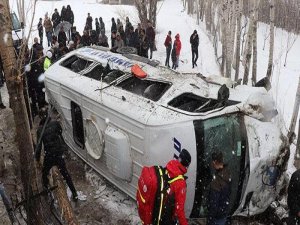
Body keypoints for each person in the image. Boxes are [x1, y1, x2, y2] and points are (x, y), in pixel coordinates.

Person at [35, 107, 78, 201]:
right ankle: (75, 193)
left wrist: (37, 159)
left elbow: (38, 147)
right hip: (58, 153)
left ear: (40, 117)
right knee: (66, 174)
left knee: (44, 173)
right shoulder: (55, 123)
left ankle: (47, 192)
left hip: (49, 155)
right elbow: (60, 132)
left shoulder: (40, 130)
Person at [160, 149, 191, 225]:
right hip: (167, 215)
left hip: (159, 208)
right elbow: (179, 210)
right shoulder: (181, 183)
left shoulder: (170, 164)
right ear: (186, 165)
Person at [207, 151, 231, 225]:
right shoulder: (227, 172)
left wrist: (210, 221)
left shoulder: (217, 182)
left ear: (215, 162)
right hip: (224, 213)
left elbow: (214, 204)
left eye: (213, 162)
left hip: (217, 217)